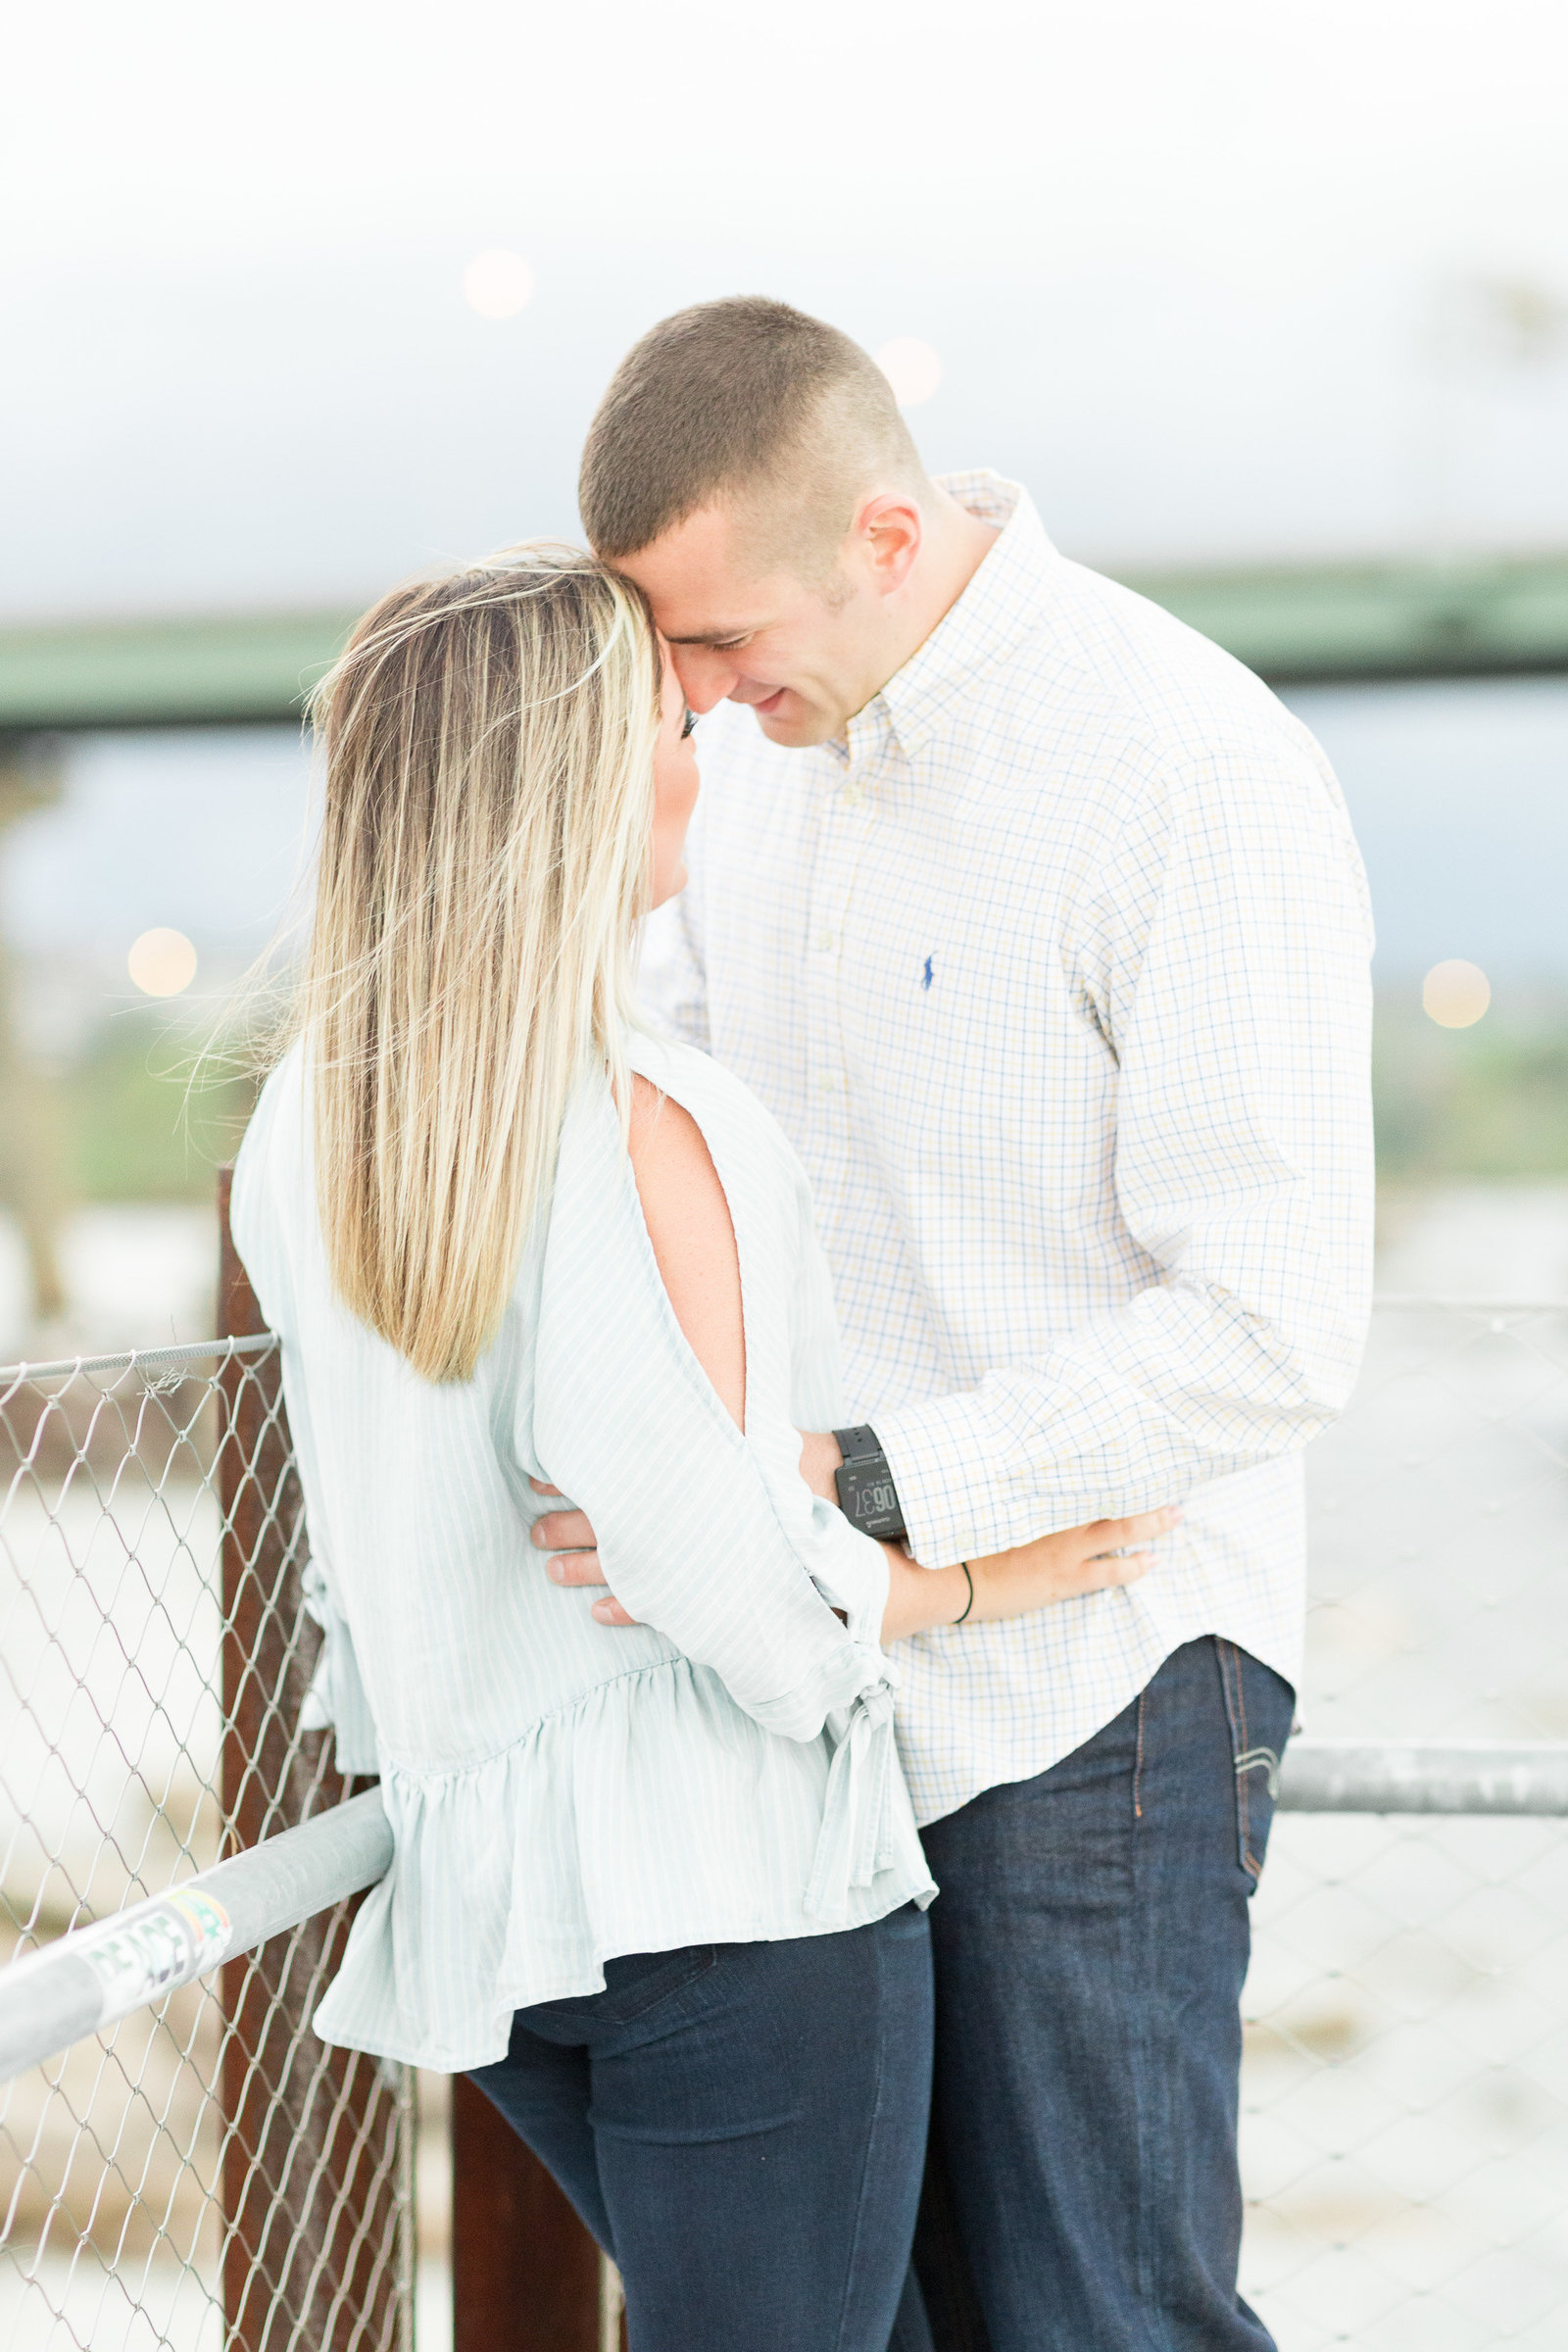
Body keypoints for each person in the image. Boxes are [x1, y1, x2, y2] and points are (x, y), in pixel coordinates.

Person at [541, 298, 1376, 2349]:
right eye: (674, 654)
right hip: (799, 1682)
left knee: (1096, 2316)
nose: (698, 697)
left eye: (725, 641)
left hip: (1090, 1694)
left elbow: (1273, 1324)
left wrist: (877, 1486)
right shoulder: (749, 766)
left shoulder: (1184, 765)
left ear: (890, 539)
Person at [228, 548, 1167, 2351]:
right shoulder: (636, 1110)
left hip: (497, 1908)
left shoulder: (307, 1121)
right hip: (740, 1905)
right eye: (668, 727)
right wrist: (952, 1587)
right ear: (572, 778)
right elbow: (703, 1540)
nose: (698, 764)